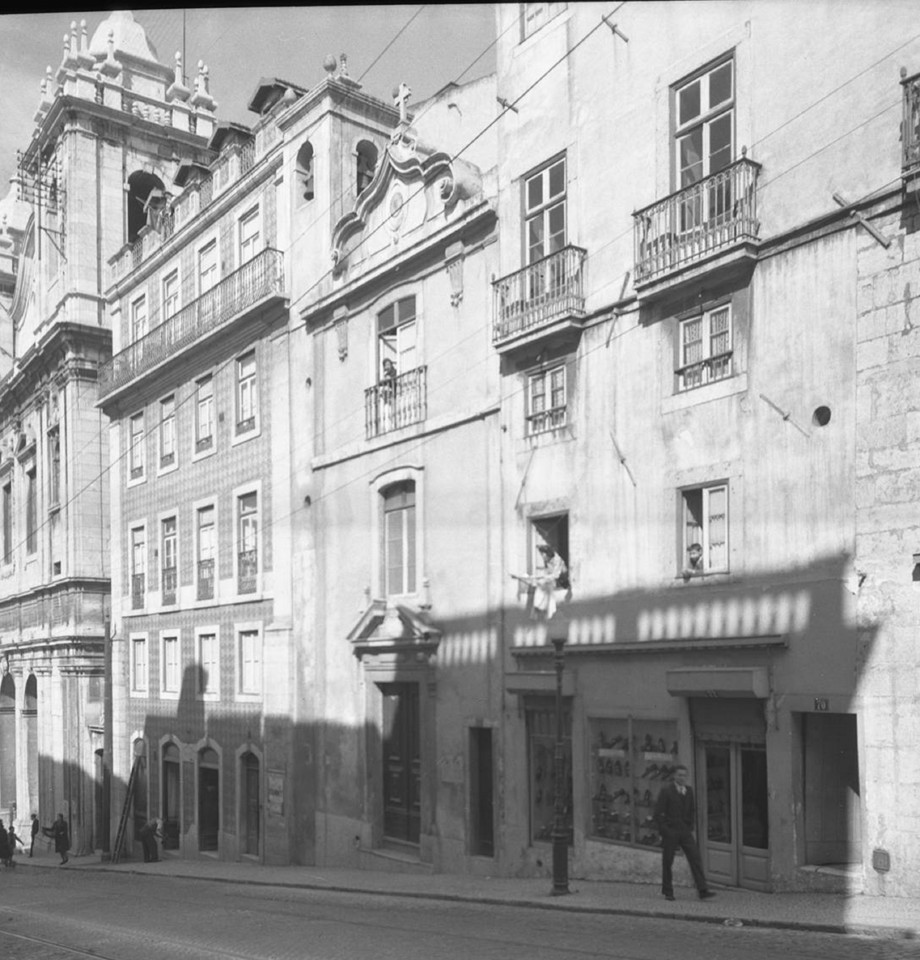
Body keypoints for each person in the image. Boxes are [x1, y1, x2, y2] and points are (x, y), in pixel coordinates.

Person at [653, 764, 714, 901]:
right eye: (680, 775)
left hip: (685, 831)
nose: (682, 778)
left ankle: (702, 889)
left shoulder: (689, 791)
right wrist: (666, 831)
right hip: (671, 831)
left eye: (684, 775)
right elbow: (658, 814)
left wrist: (690, 826)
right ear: (674, 776)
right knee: (668, 861)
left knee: (695, 858)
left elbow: (691, 810)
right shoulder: (666, 791)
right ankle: (668, 891)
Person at [512, 542, 570, 620]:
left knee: (544, 585)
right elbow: (547, 573)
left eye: (543, 554)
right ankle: (538, 608)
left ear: (547, 553)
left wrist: (540, 577)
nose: (542, 556)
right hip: (553, 579)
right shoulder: (548, 560)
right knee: (541, 584)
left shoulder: (557, 560)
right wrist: (535, 577)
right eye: (541, 554)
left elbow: (555, 575)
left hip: (562, 581)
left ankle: (544, 610)